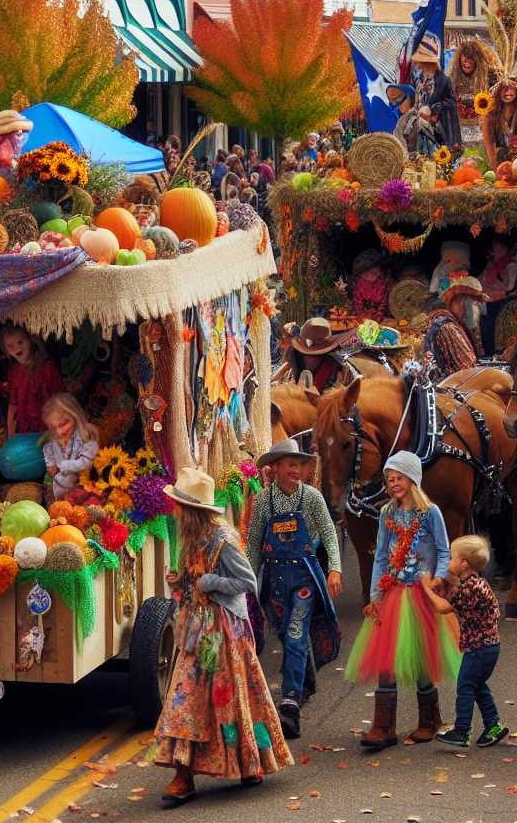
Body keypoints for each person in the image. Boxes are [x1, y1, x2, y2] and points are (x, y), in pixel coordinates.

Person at [152, 468, 291, 805]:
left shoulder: (223, 540)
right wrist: (182, 582)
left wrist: (210, 583)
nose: (174, 511)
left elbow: (248, 584)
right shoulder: (194, 537)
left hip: (225, 632)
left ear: (191, 510)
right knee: (186, 699)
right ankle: (183, 774)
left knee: (230, 699)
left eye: (178, 506)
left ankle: (248, 762)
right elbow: (196, 579)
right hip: (197, 629)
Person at [347, 452, 460, 748]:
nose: (393, 484)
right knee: (386, 659)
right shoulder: (387, 514)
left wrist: (437, 579)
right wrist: (375, 595)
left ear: (412, 479)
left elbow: (444, 550)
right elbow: (382, 556)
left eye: (398, 478)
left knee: (421, 656)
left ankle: (429, 719)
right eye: (389, 479)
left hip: (422, 593)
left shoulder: (429, 512)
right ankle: (384, 726)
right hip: (393, 592)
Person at [247, 439, 342, 738]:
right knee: (288, 637)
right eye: (291, 464)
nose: (297, 470)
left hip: (304, 578)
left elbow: (328, 532)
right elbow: (253, 542)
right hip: (275, 579)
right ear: (274, 468)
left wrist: (335, 569)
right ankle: (305, 682)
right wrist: (250, 580)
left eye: (300, 465)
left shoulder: (312, 497)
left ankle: (289, 705)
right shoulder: (263, 501)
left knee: (297, 634)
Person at [422, 535, 508, 749]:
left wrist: (425, 589)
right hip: (490, 646)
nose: (449, 562)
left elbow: (443, 607)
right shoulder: (479, 583)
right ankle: (493, 726)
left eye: (452, 558)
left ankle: (462, 731)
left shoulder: (469, 589)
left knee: (465, 686)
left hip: (478, 648)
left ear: (464, 563)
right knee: (478, 685)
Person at [0, 325, 65, 436]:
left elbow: (60, 402)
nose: (16, 349)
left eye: (20, 342)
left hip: (49, 429)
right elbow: (13, 404)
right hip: (27, 431)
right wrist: (10, 436)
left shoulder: (47, 368)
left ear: (31, 340)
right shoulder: (15, 371)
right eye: (10, 346)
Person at [423, 274, 486, 378]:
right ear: (459, 303)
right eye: (472, 303)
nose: (475, 308)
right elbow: (467, 367)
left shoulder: (452, 323)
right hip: (451, 388)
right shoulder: (448, 327)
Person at [40, 393, 99, 505]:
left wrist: (61, 466)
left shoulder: (87, 436)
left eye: (64, 424)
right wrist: (50, 463)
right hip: (60, 492)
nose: (59, 432)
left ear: (75, 415)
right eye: (53, 428)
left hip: (83, 489)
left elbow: (85, 462)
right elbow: (48, 450)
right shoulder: (54, 439)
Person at [279, 317, 357, 392]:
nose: (310, 359)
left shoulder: (342, 370)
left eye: (316, 356)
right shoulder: (291, 367)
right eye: (306, 355)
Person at [411, 37, 461, 152]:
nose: (420, 66)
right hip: (421, 128)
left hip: (438, 129)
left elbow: (450, 103)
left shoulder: (442, 80)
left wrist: (433, 109)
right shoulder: (419, 79)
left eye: (423, 63)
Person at [480, 79, 517, 169]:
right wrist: (497, 170)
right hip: (499, 166)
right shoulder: (490, 115)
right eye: (503, 88)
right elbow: (489, 146)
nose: (507, 92)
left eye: (511, 88)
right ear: (498, 90)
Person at [478, 238, 517, 357]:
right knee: (486, 328)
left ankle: (500, 354)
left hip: (502, 305)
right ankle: (489, 354)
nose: (490, 253)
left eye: (493, 250)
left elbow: (511, 289)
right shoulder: (491, 265)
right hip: (488, 304)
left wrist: (499, 295)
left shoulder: (510, 265)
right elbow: (481, 281)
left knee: (499, 331)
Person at [351, 249, 394, 322]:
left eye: (374, 273)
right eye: (365, 275)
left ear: (380, 270)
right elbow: (357, 306)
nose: (370, 278)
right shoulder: (358, 285)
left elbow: (389, 307)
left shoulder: (387, 283)